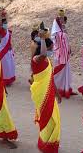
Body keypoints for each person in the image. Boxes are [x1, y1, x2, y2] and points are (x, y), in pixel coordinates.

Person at [30, 22, 61, 153]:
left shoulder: (47, 61)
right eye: (50, 49)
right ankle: (45, 143)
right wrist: (42, 38)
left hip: (49, 93)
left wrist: (57, 93)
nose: (51, 51)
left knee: (54, 119)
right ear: (45, 47)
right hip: (41, 94)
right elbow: (43, 54)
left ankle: (50, 142)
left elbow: (51, 77)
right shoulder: (36, 59)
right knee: (46, 118)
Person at [51, 9, 74, 99]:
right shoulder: (55, 33)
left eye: (63, 20)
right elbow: (58, 41)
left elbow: (66, 39)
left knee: (65, 72)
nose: (62, 21)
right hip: (60, 55)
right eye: (60, 20)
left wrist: (69, 47)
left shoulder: (62, 30)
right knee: (59, 73)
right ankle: (56, 88)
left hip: (65, 54)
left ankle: (65, 88)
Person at [0, 8, 15, 86]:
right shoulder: (0, 30)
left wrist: (5, 15)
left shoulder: (7, 30)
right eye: (4, 23)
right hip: (3, 50)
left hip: (9, 50)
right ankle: (4, 80)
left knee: (10, 65)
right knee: (5, 66)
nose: (5, 24)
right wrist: (1, 15)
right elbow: (0, 23)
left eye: (6, 23)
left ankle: (9, 80)